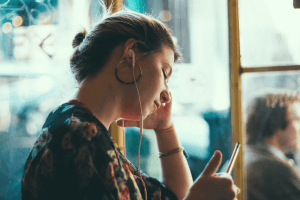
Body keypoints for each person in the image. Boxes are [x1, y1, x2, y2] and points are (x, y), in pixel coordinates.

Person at [21, 6, 239, 200]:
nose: (166, 93)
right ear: (130, 55)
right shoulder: (83, 137)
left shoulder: (75, 124)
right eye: (164, 72)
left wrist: (165, 128)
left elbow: (174, 196)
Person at [244, 91, 300, 200]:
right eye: (296, 119)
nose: (298, 127)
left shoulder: (245, 157)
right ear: (278, 124)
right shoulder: (275, 169)